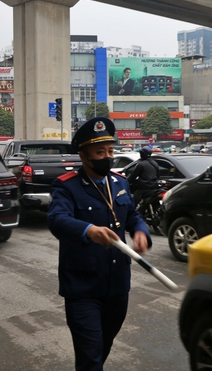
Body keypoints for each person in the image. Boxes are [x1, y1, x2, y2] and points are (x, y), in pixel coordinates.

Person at [47, 117, 151, 371]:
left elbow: (133, 216)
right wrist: (88, 230)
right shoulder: (67, 186)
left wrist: (140, 232)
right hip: (83, 288)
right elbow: (57, 220)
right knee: (91, 354)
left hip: (117, 285)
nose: (107, 157)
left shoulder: (120, 182)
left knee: (102, 347)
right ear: (83, 156)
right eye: (100, 152)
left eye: (110, 151)